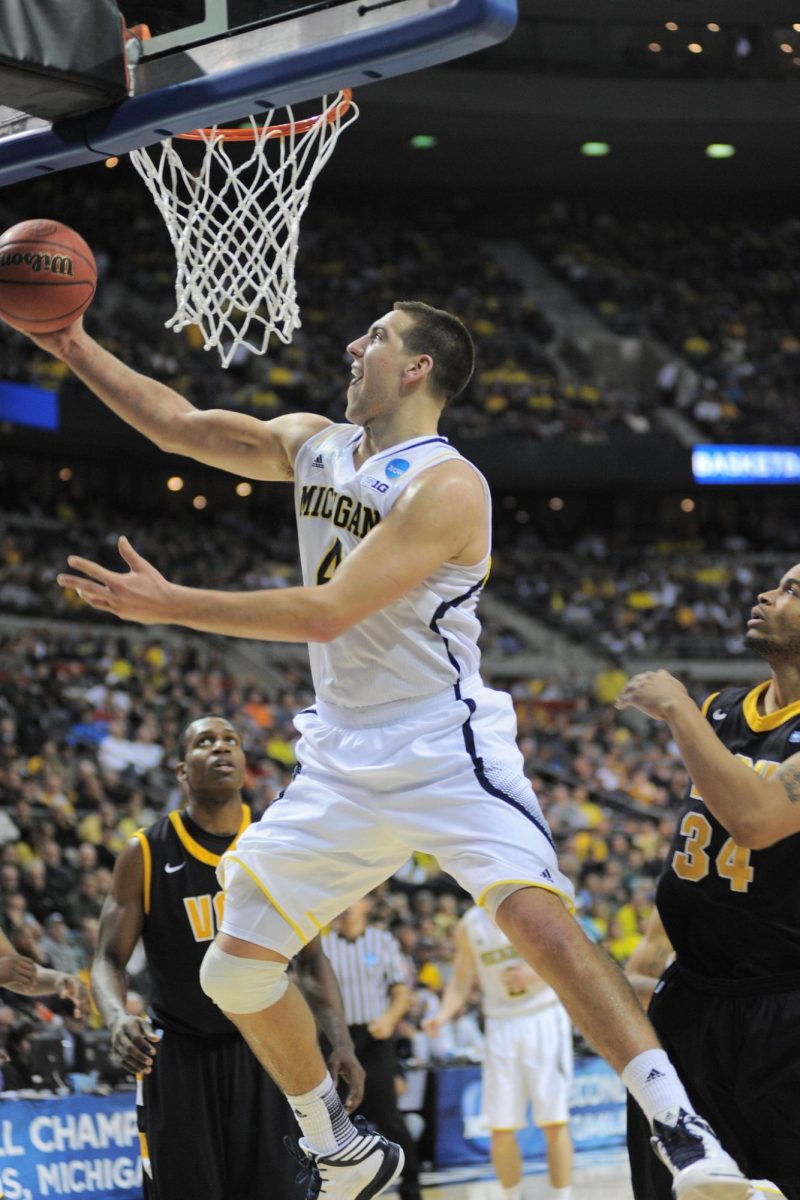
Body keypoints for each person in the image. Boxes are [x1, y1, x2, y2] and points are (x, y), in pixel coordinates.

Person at [19, 300, 748, 1200]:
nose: (354, 346)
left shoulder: (448, 485)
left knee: (535, 916)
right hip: (340, 757)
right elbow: (176, 424)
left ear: (416, 369)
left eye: (376, 338)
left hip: (442, 739)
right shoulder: (316, 443)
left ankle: (685, 1135)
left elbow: (327, 611)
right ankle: (340, 1147)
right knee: (232, 971)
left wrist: (173, 603)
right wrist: (71, 343)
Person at [90, 713, 365, 1200]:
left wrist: (339, 1040)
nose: (221, 748)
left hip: (269, 1053)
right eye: (206, 742)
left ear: (243, 761)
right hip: (177, 1056)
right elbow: (109, 958)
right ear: (181, 770)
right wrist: (115, 1018)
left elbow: (310, 960)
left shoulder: (274, 847)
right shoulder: (147, 851)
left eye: (231, 741)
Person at [617, 564, 800, 1200]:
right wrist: (649, 954)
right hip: (691, 999)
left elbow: (756, 820)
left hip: (786, 1006)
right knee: (674, 1187)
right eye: (778, 584)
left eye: (794, 592)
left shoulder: (700, 714)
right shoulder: (726, 710)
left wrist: (676, 708)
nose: (767, 596)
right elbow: (697, 840)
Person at [424, 905, 573, 1200]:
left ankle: (562, 1196)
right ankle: (512, 1196)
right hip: (500, 1025)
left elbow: (565, 952)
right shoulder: (469, 925)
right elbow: (462, 978)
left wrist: (535, 974)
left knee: (554, 1120)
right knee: (500, 1126)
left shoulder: (530, 905)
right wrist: (442, 1015)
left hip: (543, 1015)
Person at [321, 895, 422, 1200]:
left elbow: (401, 991)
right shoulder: (323, 946)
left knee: (389, 1117)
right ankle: (340, 1189)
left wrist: (391, 1019)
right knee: (336, 1118)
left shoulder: (383, 941)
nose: (348, 905)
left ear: (367, 905)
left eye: (356, 899)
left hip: (375, 1037)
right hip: (338, 1039)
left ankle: (412, 1186)